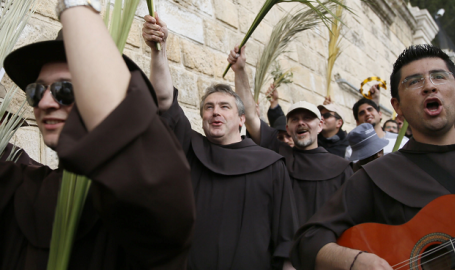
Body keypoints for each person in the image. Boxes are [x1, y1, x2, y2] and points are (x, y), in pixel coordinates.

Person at [1, 3, 196, 269]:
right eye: (36, 91)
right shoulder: (18, 187)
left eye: (65, 89)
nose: (45, 103)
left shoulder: (144, 206)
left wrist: (76, 8)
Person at [291, 44, 455, 270]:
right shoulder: (378, 175)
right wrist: (355, 261)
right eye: (414, 81)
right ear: (396, 106)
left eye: (439, 77)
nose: (429, 86)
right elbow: (308, 240)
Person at [143, 14, 298, 270]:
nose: (215, 112)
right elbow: (163, 99)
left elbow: (286, 239)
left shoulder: (271, 164)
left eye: (224, 106)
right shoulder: (190, 148)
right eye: (208, 107)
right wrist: (157, 49)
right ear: (202, 116)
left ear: (240, 119)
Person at [227, 45, 353, 228]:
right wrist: (240, 70)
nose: (301, 122)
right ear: (288, 127)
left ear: (320, 126)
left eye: (308, 118)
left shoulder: (342, 169)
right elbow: (250, 115)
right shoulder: (278, 152)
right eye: (295, 119)